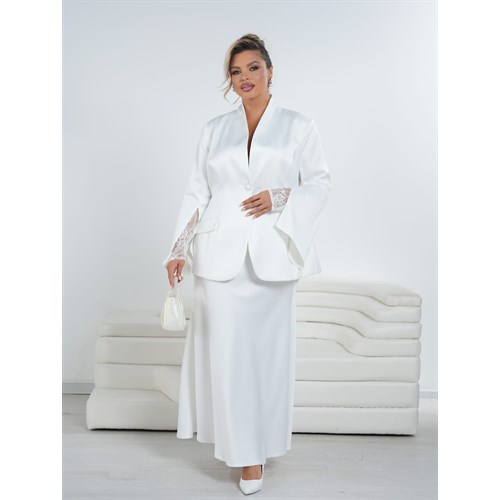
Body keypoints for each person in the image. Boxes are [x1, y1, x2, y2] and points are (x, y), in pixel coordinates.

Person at [162, 33, 331, 495]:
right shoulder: (214, 129)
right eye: (236, 72)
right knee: (228, 357)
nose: (245, 78)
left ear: (270, 71)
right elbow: (197, 192)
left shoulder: (298, 125)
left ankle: (261, 444)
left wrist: (280, 196)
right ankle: (245, 455)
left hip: (272, 256)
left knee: (267, 359)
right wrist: (177, 248)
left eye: (253, 68)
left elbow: (320, 183)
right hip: (218, 259)